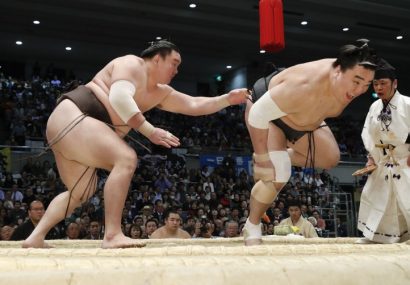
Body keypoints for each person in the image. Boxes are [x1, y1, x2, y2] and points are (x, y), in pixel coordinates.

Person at [22, 40, 250, 248]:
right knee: (126, 158)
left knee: (80, 193)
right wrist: (150, 131)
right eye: (174, 62)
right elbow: (119, 98)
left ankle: (35, 237)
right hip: (76, 115)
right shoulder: (132, 64)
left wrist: (227, 99)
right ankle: (112, 235)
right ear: (157, 57)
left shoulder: (160, 93)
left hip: (74, 129)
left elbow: (193, 104)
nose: (176, 70)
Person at [242, 39, 378, 245]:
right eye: (356, 81)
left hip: (303, 120)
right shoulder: (304, 85)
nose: (359, 90)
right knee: (280, 173)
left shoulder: (347, 78)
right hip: (268, 113)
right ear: (338, 71)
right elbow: (258, 114)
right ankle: (252, 226)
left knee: (331, 157)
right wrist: (262, 158)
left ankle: (280, 158)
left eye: (366, 85)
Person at [356, 58, 410, 244]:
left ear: (394, 83)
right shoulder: (374, 107)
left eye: (383, 83)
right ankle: (377, 236)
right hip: (384, 160)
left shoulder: (407, 104)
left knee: (407, 199)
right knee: (377, 198)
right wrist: (372, 157)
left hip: (405, 160)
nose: (378, 87)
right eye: (375, 84)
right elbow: (369, 134)